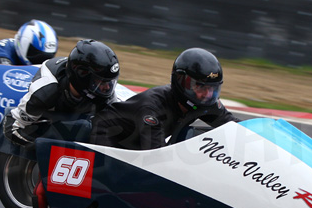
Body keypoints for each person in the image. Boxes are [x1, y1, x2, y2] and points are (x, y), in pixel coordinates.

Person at [90, 48, 241, 150]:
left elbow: (236, 127)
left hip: (141, 142)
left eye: (212, 89)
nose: (207, 95)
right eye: (200, 87)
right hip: (108, 138)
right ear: (181, 82)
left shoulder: (204, 102)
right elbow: (158, 159)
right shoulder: (152, 111)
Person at [3, 38, 120, 147]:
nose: (106, 88)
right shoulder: (46, 90)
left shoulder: (106, 95)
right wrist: (44, 147)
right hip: (46, 110)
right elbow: (11, 127)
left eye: (110, 82)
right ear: (82, 76)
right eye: (100, 82)